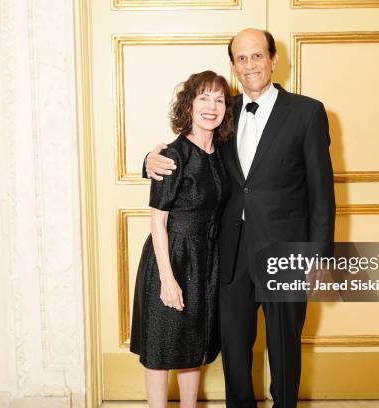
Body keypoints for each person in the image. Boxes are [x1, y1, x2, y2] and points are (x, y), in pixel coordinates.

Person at [144, 29, 336, 408]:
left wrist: (319, 255)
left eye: (257, 56)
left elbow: (322, 191)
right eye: (241, 59)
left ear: (274, 60)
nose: (250, 66)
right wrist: (148, 162)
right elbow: (186, 154)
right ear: (233, 66)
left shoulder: (307, 112)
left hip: (286, 251)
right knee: (234, 349)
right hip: (228, 254)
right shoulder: (221, 110)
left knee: (284, 347)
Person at [130, 70, 235, 408]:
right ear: (189, 105)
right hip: (171, 257)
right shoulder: (173, 156)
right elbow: (157, 222)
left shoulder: (221, 153)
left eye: (219, 99)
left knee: (194, 345)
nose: (211, 106)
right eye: (203, 97)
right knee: (160, 348)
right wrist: (167, 280)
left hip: (206, 260)